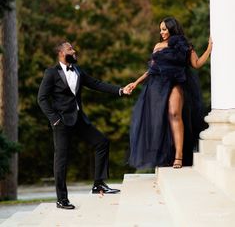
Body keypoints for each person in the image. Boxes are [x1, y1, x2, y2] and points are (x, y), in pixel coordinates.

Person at [38, 41, 130, 209]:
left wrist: (120, 90)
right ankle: (61, 199)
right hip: (62, 122)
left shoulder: (78, 71)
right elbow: (42, 98)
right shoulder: (51, 73)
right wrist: (54, 119)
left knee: (102, 142)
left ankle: (98, 184)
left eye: (73, 48)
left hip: (79, 118)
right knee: (61, 160)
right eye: (70, 49)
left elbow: (96, 84)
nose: (74, 51)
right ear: (61, 53)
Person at [126, 17, 212, 170]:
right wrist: (136, 82)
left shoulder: (185, 45)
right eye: (160, 29)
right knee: (161, 119)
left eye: (164, 29)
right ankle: (168, 155)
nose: (162, 32)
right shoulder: (158, 46)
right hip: (158, 85)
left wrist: (209, 49)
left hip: (177, 82)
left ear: (172, 28)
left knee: (174, 113)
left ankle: (179, 156)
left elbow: (196, 64)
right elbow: (152, 69)